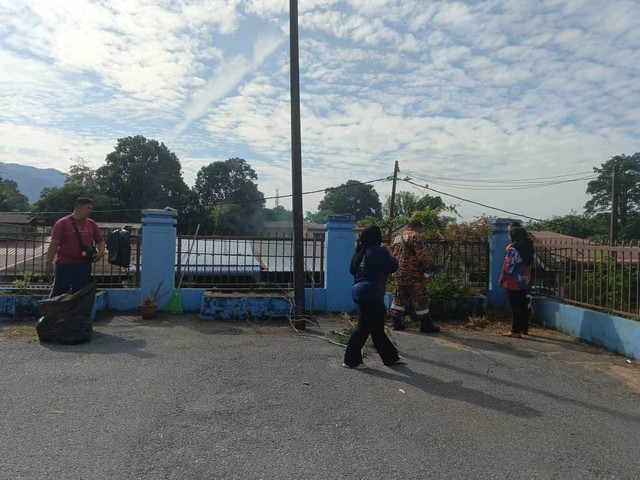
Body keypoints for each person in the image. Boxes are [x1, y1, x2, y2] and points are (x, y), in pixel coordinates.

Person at [343, 226, 403, 369]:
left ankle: (390, 357)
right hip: (372, 292)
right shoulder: (378, 251)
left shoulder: (360, 251)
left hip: (359, 290)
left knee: (377, 327)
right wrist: (389, 252)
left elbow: (352, 270)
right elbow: (393, 266)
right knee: (364, 328)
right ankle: (351, 361)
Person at [44, 197, 105, 297]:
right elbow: (54, 243)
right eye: (88, 208)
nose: (90, 211)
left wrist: (100, 253)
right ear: (79, 207)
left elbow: (100, 241)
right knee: (59, 294)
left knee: (81, 295)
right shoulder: (62, 223)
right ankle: (56, 308)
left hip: (84, 265)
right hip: (65, 265)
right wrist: (48, 264)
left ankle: (76, 308)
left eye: (91, 208)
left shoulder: (91, 223)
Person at [389, 220, 440, 333]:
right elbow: (422, 256)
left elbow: (393, 254)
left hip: (399, 273)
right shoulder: (415, 236)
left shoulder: (397, 237)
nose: (422, 231)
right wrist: (427, 272)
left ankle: (396, 323)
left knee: (399, 298)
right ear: (417, 227)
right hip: (413, 274)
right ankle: (426, 325)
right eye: (421, 228)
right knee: (420, 298)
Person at [498, 223, 534, 338]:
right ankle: (524, 328)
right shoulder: (529, 246)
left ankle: (515, 331)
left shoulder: (514, 249)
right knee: (524, 305)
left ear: (513, 236)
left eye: (509, 235)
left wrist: (502, 279)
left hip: (513, 281)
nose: (508, 237)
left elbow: (508, 266)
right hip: (525, 280)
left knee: (515, 306)